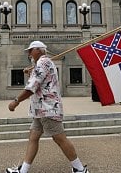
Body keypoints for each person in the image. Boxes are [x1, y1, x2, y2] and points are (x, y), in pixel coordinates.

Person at [6, 41, 89, 173]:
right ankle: (23, 170)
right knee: (33, 137)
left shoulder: (42, 63)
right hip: (40, 109)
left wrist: (16, 101)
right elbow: (41, 81)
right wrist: (32, 71)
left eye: (30, 50)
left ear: (39, 50)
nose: (28, 53)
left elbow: (32, 87)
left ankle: (79, 169)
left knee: (60, 138)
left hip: (47, 109)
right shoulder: (43, 63)